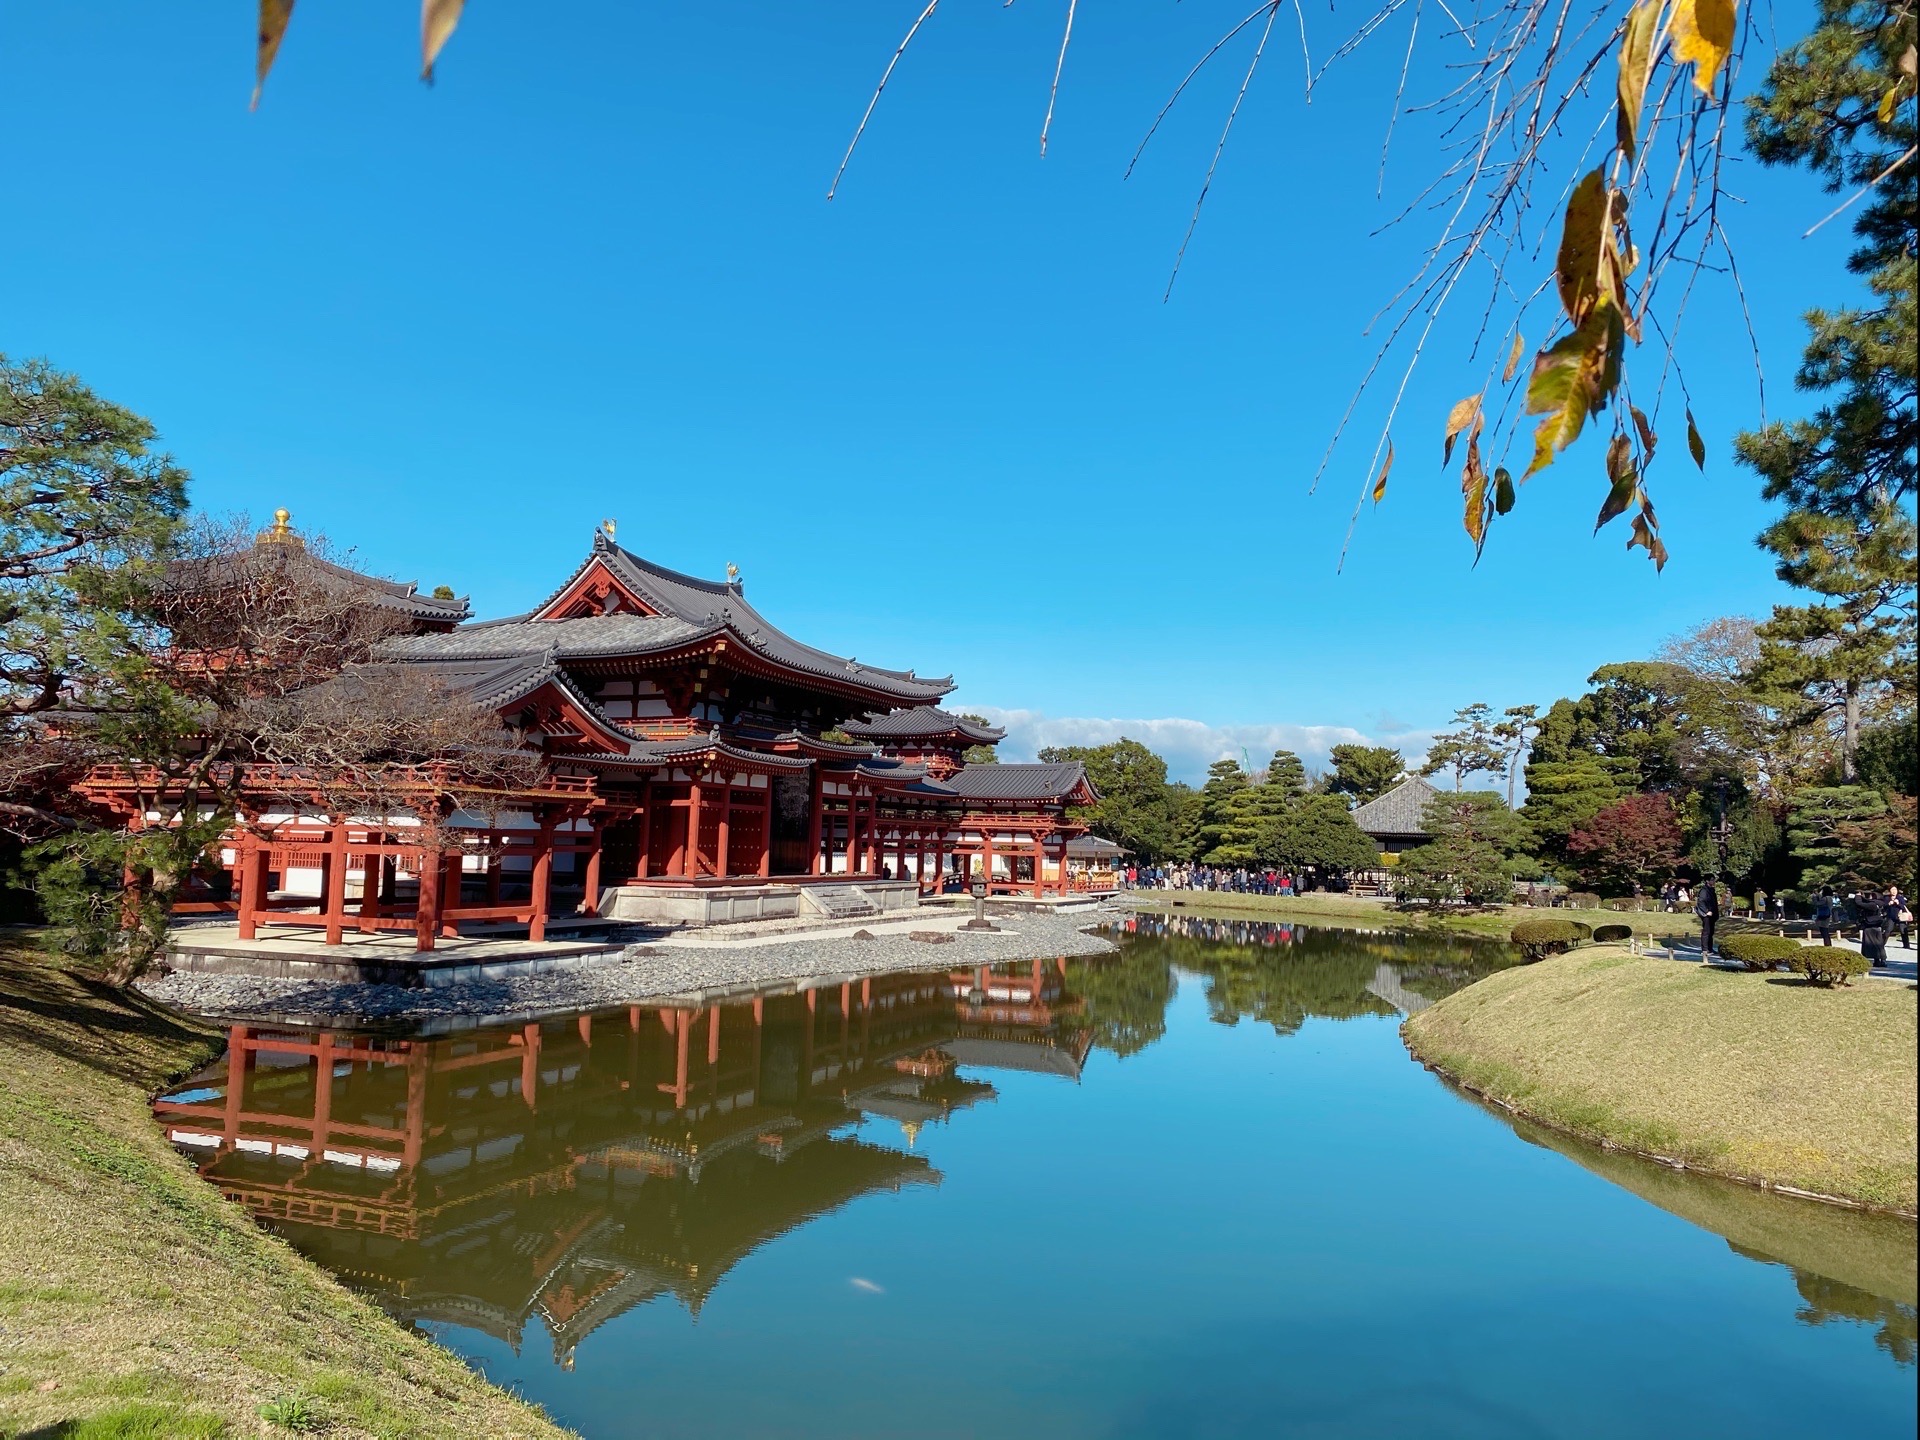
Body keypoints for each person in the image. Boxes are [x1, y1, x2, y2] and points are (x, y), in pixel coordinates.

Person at [1856, 889, 1888, 969]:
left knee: (1869, 944)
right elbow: (1866, 901)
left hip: (1869, 925)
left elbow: (1859, 904)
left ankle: (1877, 960)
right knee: (1879, 944)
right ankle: (1879, 960)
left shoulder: (1872, 905)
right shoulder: (1881, 903)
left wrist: (1858, 896)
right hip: (1877, 926)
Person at [1694, 879, 1720, 959]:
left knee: (1711, 932)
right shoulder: (1704, 891)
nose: (1714, 881)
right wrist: (1706, 911)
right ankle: (1705, 949)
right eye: (1712, 880)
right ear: (1707, 881)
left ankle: (1710, 948)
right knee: (1706, 931)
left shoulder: (1712, 890)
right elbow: (1701, 902)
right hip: (1707, 914)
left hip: (1713, 914)